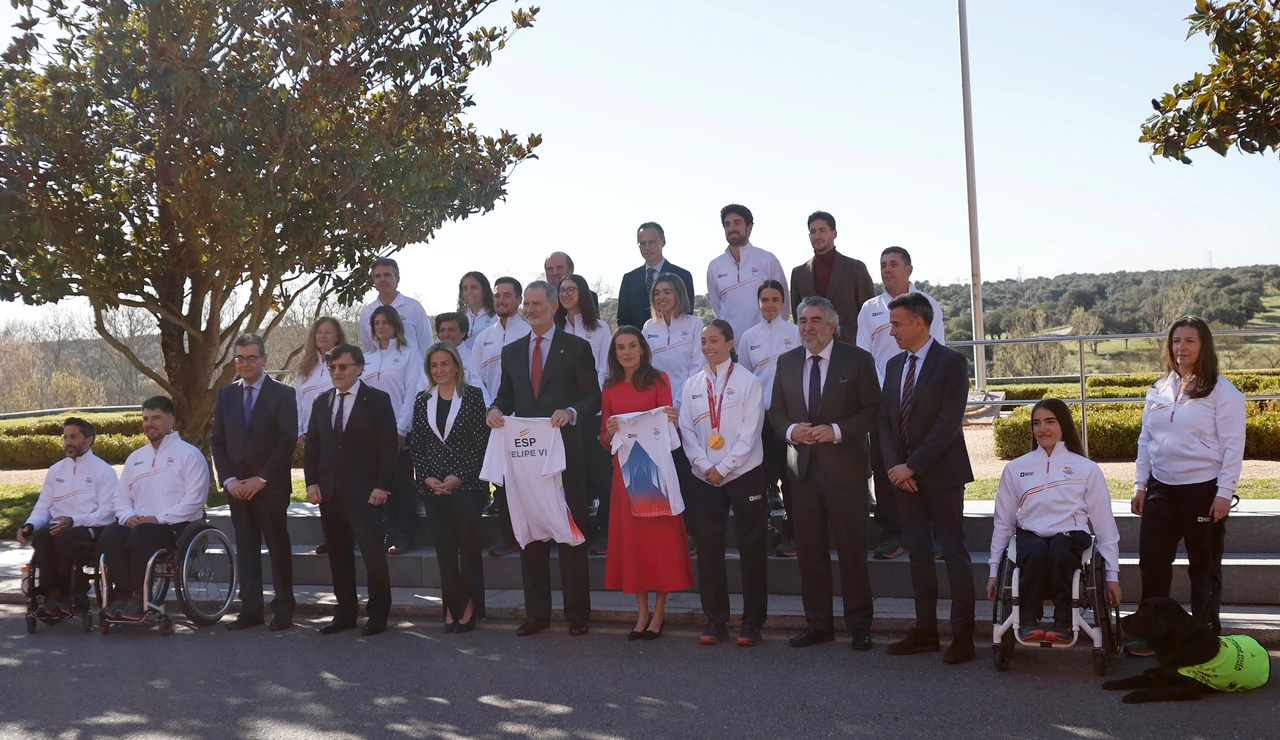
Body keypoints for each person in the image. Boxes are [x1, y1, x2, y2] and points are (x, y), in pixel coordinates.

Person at [486, 280, 601, 637]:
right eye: (527, 305)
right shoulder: (512, 351)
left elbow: (592, 398)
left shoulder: (577, 347)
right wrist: (494, 410)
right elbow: (506, 396)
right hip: (526, 459)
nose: (530, 309)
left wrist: (570, 410)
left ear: (554, 306)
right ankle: (537, 614)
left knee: (570, 534)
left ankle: (577, 613)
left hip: (565, 455)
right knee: (531, 535)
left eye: (537, 303)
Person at [769, 297, 881, 651]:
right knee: (810, 556)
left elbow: (871, 411)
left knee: (851, 555)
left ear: (831, 326)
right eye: (802, 320)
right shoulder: (786, 362)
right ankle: (818, 625)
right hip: (800, 476)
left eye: (816, 320)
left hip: (845, 473)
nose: (808, 327)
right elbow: (777, 414)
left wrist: (834, 430)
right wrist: (791, 432)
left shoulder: (858, 359)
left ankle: (860, 626)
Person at [1128, 316, 1245, 655]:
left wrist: (1224, 493)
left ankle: (1205, 635)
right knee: (1153, 563)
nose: (1182, 347)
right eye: (1176, 340)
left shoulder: (1223, 391)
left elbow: (1233, 445)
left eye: (1190, 340)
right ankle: (1152, 636)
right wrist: (1141, 485)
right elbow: (1145, 439)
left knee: (1203, 568)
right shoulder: (1159, 389)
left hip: (1203, 492)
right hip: (1161, 490)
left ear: (1204, 345)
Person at [877, 293, 976, 664]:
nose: (892, 331)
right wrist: (894, 468)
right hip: (903, 479)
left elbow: (947, 424)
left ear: (919, 323)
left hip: (942, 476)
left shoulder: (952, 363)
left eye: (897, 324)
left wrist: (911, 466)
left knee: (953, 554)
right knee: (918, 554)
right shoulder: (892, 364)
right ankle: (926, 631)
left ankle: (963, 636)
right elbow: (884, 420)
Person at [987, 398, 1122, 643]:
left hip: (1071, 534)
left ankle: (1064, 622)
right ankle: (1028, 620)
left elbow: (1104, 524)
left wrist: (1112, 575)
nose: (1042, 429)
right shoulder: (1016, 468)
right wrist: (994, 570)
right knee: (1036, 552)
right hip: (1030, 534)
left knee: (1061, 548)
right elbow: (1003, 522)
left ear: (1064, 425)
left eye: (1050, 421)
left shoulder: (1086, 468)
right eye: (1036, 423)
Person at [601, 326, 694, 640]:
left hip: (655, 470)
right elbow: (603, 437)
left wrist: (672, 417)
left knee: (659, 541)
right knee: (634, 543)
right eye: (620, 348)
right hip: (625, 473)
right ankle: (641, 612)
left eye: (631, 346)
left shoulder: (659, 380)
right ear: (615, 354)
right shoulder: (610, 387)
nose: (626, 352)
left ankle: (659, 612)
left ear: (642, 349)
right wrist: (612, 430)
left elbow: (670, 428)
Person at [679, 319, 768, 647]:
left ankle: (752, 622)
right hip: (705, 478)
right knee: (709, 551)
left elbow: (750, 432)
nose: (707, 347)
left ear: (730, 343)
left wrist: (725, 466)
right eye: (703, 342)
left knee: (752, 549)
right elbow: (687, 431)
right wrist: (704, 466)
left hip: (744, 474)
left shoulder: (749, 382)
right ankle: (716, 620)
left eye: (714, 340)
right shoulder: (691, 385)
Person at [856, 246, 946, 561]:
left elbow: (937, 352)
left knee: (924, 465)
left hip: (920, 398)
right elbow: (863, 357)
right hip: (884, 402)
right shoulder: (869, 309)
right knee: (884, 468)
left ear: (909, 269)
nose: (887, 270)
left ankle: (930, 532)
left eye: (894, 264)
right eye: (882, 265)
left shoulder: (928, 305)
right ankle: (892, 533)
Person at [303, 344, 397, 636]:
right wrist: (312, 482)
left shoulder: (378, 400)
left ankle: (378, 615)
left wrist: (382, 485)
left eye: (343, 367)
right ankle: (344, 612)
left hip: (367, 492)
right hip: (330, 493)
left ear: (359, 368)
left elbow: (388, 447)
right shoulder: (321, 401)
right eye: (332, 367)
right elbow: (314, 448)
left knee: (372, 556)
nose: (337, 372)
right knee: (338, 555)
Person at [210, 334, 299, 631]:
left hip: (269, 486)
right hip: (237, 489)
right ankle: (251, 610)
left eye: (251, 357)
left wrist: (261, 478)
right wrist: (230, 480)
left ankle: (284, 608)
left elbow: (287, 440)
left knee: (277, 547)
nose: (245, 363)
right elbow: (217, 441)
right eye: (239, 358)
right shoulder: (226, 395)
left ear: (264, 359)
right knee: (246, 548)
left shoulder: (283, 394)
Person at [98, 397, 209, 621]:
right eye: (145, 419)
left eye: (156, 418)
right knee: (110, 533)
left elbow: (195, 500)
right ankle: (123, 595)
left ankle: (140, 598)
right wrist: (128, 517)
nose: (150, 423)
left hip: (178, 526)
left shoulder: (189, 454)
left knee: (142, 533)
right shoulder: (135, 458)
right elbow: (120, 497)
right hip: (140, 525)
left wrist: (157, 519)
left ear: (171, 419)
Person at [406, 342, 491, 634]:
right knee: (443, 551)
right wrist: (426, 478)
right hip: (433, 489)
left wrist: (459, 476)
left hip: (466, 487)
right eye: (434, 365)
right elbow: (417, 444)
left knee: (467, 549)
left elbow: (481, 444)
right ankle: (451, 607)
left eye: (444, 364)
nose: (439, 370)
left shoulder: (474, 397)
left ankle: (469, 607)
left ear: (456, 365)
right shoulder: (421, 400)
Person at [17, 418, 117, 618]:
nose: (68, 442)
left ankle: (74, 595)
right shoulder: (56, 470)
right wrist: (30, 525)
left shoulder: (104, 471)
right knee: (43, 537)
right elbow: (43, 507)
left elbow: (108, 512)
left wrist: (74, 521)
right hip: (59, 527)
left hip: (91, 527)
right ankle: (51, 595)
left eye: (74, 437)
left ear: (89, 440)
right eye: (65, 437)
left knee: (64, 536)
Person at [642, 273, 705, 555]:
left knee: (686, 473)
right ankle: (664, 531)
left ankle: (691, 531)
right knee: (663, 474)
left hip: (687, 409)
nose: (661, 297)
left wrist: (678, 406)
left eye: (667, 292)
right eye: (657, 293)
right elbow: (645, 369)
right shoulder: (648, 327)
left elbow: (697, 367)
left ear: (679, 294)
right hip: (656, 412)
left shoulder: (695, 325)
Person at [739, 279, 800, 558]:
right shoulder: (748, 337)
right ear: (758, 302)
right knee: (762, 476)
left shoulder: (796, 332)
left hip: (789, 416)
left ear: (783, 302)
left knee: (791, 476)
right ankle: (765, 530)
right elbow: (745, 378)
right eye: (765, 300)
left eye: (775, 299)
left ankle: (792, 531)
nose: (770, 305)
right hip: (760, 415)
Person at [470, 276, 531, 556]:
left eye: (508, 295)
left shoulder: (530, 332)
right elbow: (475, 378)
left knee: (530, 480)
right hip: (495, 420)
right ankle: (507, 535)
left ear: (519, 299)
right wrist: (490, 408)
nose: (502, 300)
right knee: (502, 483)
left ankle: (535, 532)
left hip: (528, 420)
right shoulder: (484, 338)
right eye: (498, 296)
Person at [556, 273, 613, 554]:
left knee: (602, 477)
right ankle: (575, 531)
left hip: (594, 413)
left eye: (571, 289)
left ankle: (605, 532)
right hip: (561, 417)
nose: (566, 293)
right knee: (569, 479)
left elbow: (605, 367)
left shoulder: (600, 328)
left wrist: (590, 402)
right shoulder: (554, 329)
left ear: (583, 292)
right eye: (562, 290)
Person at [364, 305, 426, 554]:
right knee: (379, 483)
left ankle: (404, 534)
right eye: (376, 323)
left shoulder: (410, 355)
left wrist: (402, 429)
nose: (380, 327)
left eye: (385, 322)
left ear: (395, 326)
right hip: (370, 434)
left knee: (401, 482)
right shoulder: (365, 358)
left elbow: (412, 393)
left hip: (400, 429)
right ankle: (386, 530)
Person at [294, 316, 345, 556]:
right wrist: (300, 431)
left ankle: (350, 535)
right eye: (319, 332)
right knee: (321, 489)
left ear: (337, 336)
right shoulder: (305, 369)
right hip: (312, 437)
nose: (322, 336)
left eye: (328, 332)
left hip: (340, 436)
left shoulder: (343, 364)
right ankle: (330, 537)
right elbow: (298, 403)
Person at [789, 211, 875, 344]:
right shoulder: (799, 274)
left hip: (849, 348)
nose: (817, 236)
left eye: (822, 230)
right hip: (813, 349)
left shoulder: (855, 268)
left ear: (834, 233)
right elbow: (798, 317)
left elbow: (868, 313)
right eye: (813, 231)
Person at [707, 203, 789, 340]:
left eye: (737, 223)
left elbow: (784, 304)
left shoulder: (767, 260)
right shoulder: (715, 266)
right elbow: (718, 309)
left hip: (765, 343)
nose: (731, 228)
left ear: (749, 227)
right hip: (731, 347)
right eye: (727, 224)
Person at [617, 222, 696, 330]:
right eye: (643, 243)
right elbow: (623, 318)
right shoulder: (629, 279)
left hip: (674, 341)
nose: (647, 247)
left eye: (652, 242)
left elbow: (687, 313)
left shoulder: (682, 276)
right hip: (638, 343)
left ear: (663, 242)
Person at [358, 257, 434, 353]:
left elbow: (427, 346)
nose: (382, 279)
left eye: (387, 275)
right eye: (378, 276)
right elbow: (368, 350)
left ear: (397, 279)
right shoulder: (366, 313)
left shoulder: (414, 307)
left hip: (412, 367)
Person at [458, 271, 499, 351]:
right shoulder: (459, 318)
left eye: (473, 287)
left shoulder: (496, 317)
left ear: (484, 289)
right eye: (465, 288)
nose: (469, 292)